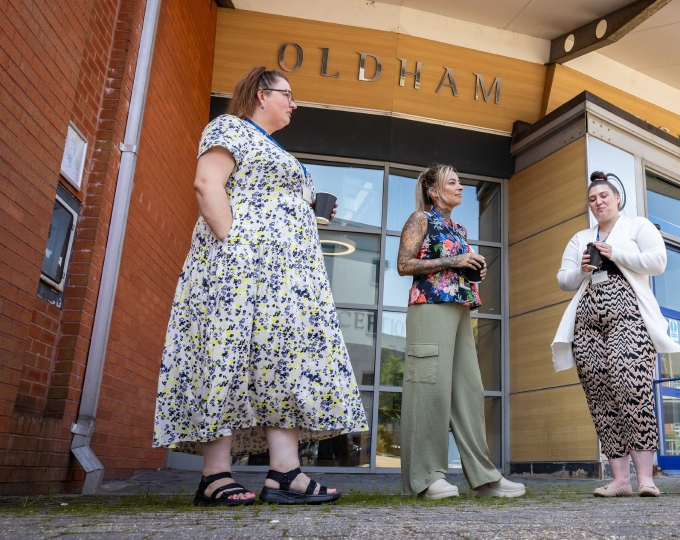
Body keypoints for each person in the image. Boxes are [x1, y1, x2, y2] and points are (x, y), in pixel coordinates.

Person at [153, 66, 367, 506]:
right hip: (240, 270)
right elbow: (206, 183)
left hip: (284, 278)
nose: (294, 103)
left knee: (281, 362)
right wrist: (233, 247)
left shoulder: (277, 150)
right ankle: (214, 476)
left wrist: (309, 211)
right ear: (260, 94)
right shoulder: (230, 127)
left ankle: (285, 474)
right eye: (287, 95)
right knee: (226, 357)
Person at [396, 164, 525, 499]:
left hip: (460, 310)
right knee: (429, 390)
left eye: (460, 181)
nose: (461, 186)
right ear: (433, 191)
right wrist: (452, 262)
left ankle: (484, 477)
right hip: (429, 309)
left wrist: (472, 268)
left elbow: (454, 268)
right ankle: (425, 477)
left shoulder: (458, 228)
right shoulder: (420, 219)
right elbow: (404, 264)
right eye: (452, 182)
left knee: (469, 390)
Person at [552, 172, 680, 498]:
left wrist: (613, 253)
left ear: (617, 198)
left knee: (631, 387)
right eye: (593, 199)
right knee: (600, 395)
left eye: (604, 196)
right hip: (588, 322)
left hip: (630, 318)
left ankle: (645, 478)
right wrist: (582, 269)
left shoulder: (637, 226)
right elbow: (564, 280)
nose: (598, 202)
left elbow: (657, 262)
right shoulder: (580, 237)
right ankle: (619, 480)